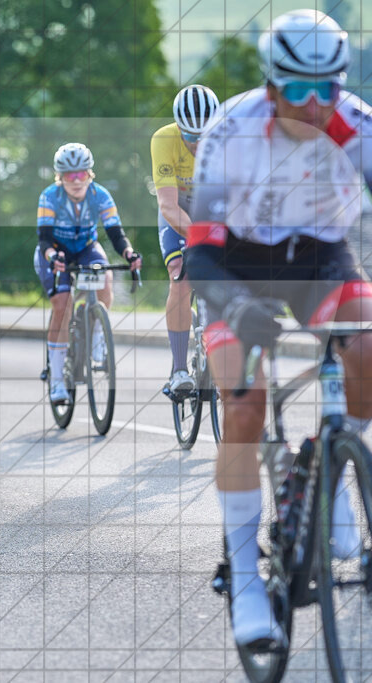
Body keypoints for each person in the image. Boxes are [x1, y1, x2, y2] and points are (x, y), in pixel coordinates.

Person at [184, 8, 372, 650]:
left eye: (329, 88)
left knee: (369, 349)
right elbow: (199, 253)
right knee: (243, 406)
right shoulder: (230, 132)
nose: (316, 105)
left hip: (317, 259)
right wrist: (235, 307)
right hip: (234, 266)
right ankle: (243, 575)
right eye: (298, 90)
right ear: (270, 87)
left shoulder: (356, 124)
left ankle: (335, 467)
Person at [35, 143, 141, 404]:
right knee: (63, 304)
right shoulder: (49, 196)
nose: (76, 181)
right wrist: (53, 257)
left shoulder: (101, 195)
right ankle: (58, 380)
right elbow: (44, 239)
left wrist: (129, 253)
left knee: (105, 278)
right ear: (60, 177)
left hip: (85, 249)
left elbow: (116, 234)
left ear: (89, 175)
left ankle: (96, 334)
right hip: (54, 252)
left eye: (81, 174)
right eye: (69, 176)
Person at [151, 84, 219, 394]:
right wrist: (196, 236)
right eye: (190, 137)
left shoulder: (228, 139)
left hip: (212, 206)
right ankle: (179, 370)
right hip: (178, 209)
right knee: (180, 279)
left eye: (203, 136)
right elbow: (167, 205)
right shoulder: (164, 139)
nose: (197, 144)